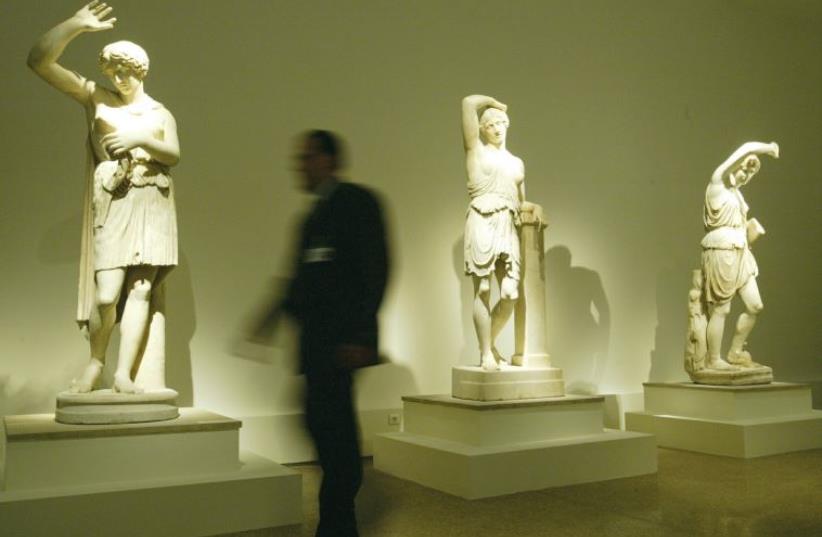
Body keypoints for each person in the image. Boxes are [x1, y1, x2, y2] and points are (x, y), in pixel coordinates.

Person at [27, 1, 180, 394]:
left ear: (141, 70)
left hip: (152, 202)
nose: (118, 76)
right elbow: (39, 62)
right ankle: (96, 361)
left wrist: (140, 138)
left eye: (124, 69)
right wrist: (75, 25)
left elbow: (174, 154)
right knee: (107, 294)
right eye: (112, 70)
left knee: (142, 290)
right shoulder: (97, 97)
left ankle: (124, 373)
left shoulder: (160, 113)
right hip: (115, 200)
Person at [253, 130, 389, 537]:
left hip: (343, 346)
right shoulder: (310, 218)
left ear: (329, 160)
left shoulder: (357, 203)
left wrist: (362, 337)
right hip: (316, 347)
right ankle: (336, 521)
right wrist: (268, 318)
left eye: (307, 158)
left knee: (337, 439)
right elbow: (298, 280)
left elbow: (376, 270)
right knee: (321, 427)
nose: (300, 166)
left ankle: (337, 525)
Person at [461, 95, 541, 371]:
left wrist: (534, 207)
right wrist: (496, 103)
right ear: (482, 129)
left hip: (506, 224)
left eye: (501, 123)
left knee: (509, 295)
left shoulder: (517, 163)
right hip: (482, 219)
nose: (497, 128)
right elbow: (468, 103)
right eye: (491, 124)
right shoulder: (476, 152)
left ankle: (490, 342)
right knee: (483, 289)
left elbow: (521, 203)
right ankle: (485, 353)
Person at [700, 141, 778, 370]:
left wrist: (750, 233)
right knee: (721, 309)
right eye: (744, 168)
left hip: (742, 253)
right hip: (721, 251)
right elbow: (744, 148)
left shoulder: (737, 197)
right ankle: (714, 360)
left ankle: (735, 352)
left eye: (751, 172)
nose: (746, 174)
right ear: (733, 167)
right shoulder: (717, 184)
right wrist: (767, 148)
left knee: (755, 306)